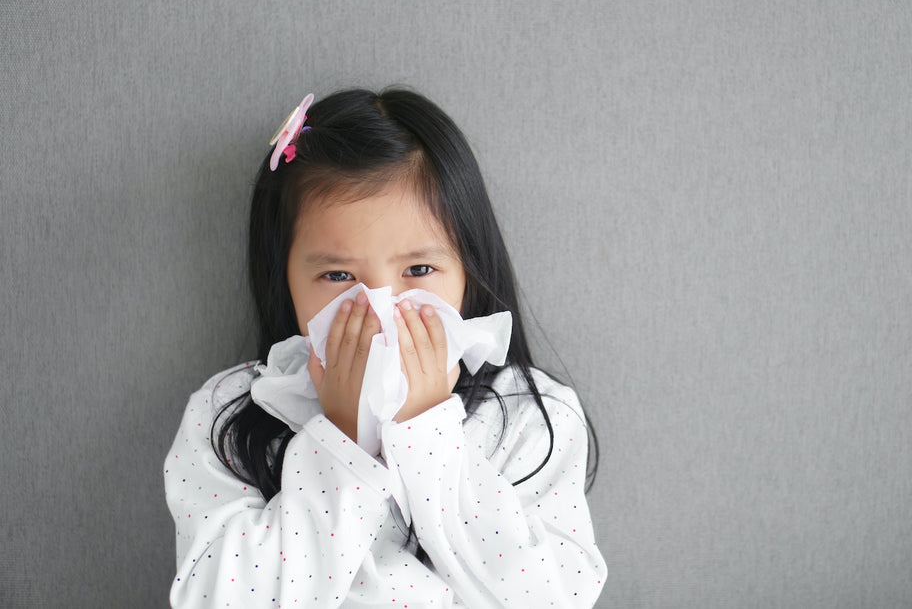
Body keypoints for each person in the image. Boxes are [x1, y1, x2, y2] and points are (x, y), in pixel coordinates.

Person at [164, 88, 607, 607]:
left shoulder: (530, 414)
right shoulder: (231, 415)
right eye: (337, 275)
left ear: (468, 268)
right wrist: (341, 443)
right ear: (283, 277)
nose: (380, 310)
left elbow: (554, 594)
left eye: (418, 270)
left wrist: (428, 435)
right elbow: (218, 598)